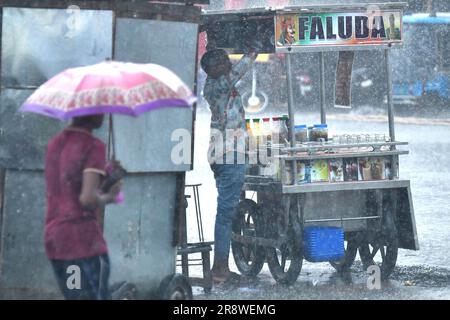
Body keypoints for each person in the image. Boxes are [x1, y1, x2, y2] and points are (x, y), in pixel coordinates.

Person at [44, 114, 122, 300]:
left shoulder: (54, 144)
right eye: (100, 109)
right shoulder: (93, 146)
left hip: (56, 240)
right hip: (83, 241)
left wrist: (107, 173)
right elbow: (87, 199)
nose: (103, 114)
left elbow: (68, 187)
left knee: (75, 296)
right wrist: (110, 197)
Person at [201, 47, 258, 284]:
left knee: (226, 211)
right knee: (225, 213)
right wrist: (252, 53)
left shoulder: (217, 85)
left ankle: (221, 266)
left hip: (227, 154)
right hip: (229, 155)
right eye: (223, 62)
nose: (227, 64)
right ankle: (220, 270)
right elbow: (239, 72)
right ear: (213, 69)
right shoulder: (216, 86)